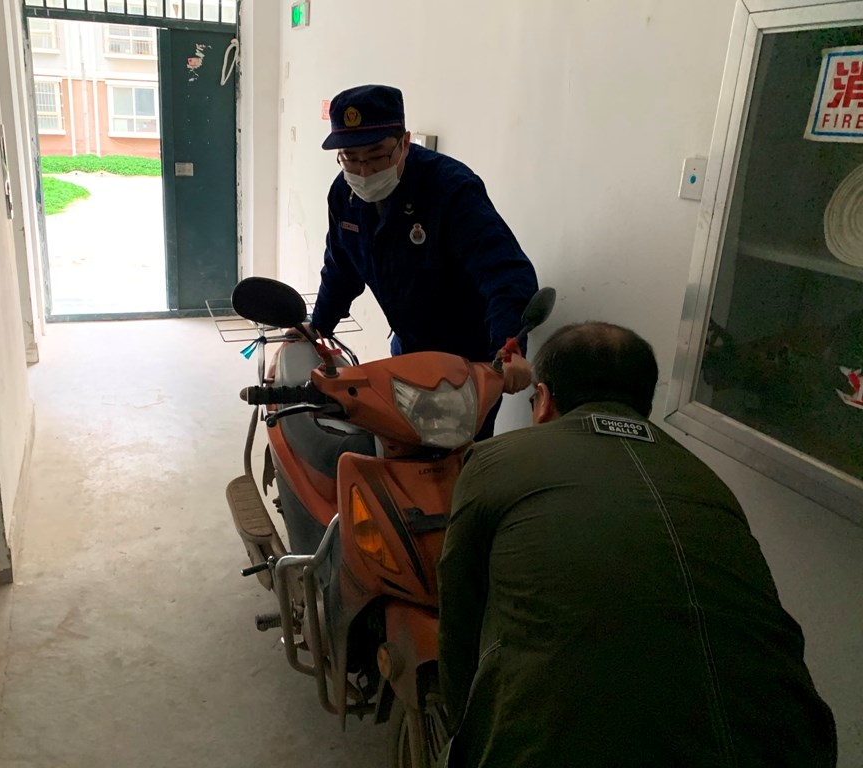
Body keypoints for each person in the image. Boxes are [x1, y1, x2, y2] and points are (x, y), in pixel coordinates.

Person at [437, 322, 838, 767]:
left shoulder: (493, 460)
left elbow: (460, 615)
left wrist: (459, 730)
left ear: (544, 399)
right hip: (791, 743)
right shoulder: (706, 481)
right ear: (645, 406)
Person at [309, 84, 538, 439]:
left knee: (459, 456)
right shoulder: (344, 194)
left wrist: (509, 349)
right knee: (400, 444)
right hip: (408, 351)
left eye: (377, 155)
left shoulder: (450, 189)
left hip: (469, 361)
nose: (364, 171)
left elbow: (505, 272)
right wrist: (316, 328)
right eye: (350, 158)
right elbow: (341, 268)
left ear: (404, 142)